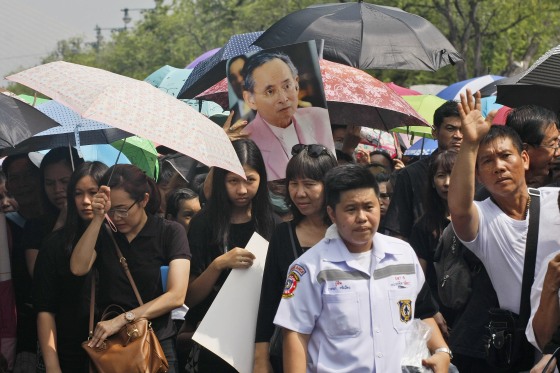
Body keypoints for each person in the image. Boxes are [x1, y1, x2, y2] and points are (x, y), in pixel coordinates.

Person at [274, 164, 451, 372]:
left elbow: (422, 311)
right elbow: (295, 334)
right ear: (332, 214)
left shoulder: (403, 255)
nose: (362, 218)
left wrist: (442, 352)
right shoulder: (309, 268)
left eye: (369, 207)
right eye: (351, 209)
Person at [449, 90, 560, 371]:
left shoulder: (554, 202)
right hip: (520, 350)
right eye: (487, 161)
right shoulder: (482, 220)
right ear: (478, 174)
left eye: (505, 156)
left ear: (524, 159)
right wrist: (470, 144)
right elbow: (460, 209)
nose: (498, 167)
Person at [69, 164, 190, 373]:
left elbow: (176, 295)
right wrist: (98, 218)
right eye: (110, 210)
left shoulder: (170, 232)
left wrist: (123, 320)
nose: (116, 217)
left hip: (156, 342)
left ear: (143, 200)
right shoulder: (104, 232)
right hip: (112, 348)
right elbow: (78, 268)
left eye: (123, 209)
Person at [184, 139, 276, 372]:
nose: (242, 190)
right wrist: (218, 265)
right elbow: (189, 298)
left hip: (260, 339)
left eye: (250, 180)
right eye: (233, 181)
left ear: (261, 180)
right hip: (213, 342)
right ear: (221, 181)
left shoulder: (273, 224)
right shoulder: (203, 224)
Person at [253, 144, 337, 373]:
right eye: (293, 183)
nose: (300, 193)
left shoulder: (346, 234)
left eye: (309, 184)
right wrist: (261, 357)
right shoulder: (283, 234)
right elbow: (269, 297)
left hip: (339, 353)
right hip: (290, 353)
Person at [33, 161, 108, 373]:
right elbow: (45, 310)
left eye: (93, 192)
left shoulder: (117, 240)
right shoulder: (54, 245)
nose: (85, 201)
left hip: (118, 353)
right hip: (71, 354)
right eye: (77, 193)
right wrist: (52, 365)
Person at [241, 51, 336, 181]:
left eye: (287, 86)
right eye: (270, 91)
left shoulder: (320, 118)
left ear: (296, 84)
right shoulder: (245, 141)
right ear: (250, 99)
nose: (283, 98)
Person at [381, 100, 462, 241]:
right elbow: (399, 230)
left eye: (464, 129)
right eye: (450, 129)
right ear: (435, 132)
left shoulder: (480, 171)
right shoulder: (410, 175)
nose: (458, 135)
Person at [409, 150, 459, 338]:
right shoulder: (424, 226)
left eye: (453, 174)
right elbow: (418, 278)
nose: (447, 182)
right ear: (432, 182)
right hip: (439, 312)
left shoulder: (479, 217)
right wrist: (431, 311)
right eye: (441, 176)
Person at [3, 153, 45, 372]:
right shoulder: (6, 227)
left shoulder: (58, 222)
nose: (22, 183)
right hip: (20, 330)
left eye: (28, 175)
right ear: (8, 184)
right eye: (14, 177)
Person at [24, 147, 83, 278]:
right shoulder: (35, 226)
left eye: (65, 182)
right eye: (49, 183)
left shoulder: (95, 220)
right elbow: (37, 273)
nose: (57, 189)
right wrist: (61, 223)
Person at [505, 105, 560, 187]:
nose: (558, 153)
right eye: (552, 145)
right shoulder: (499, 193)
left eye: (558, 144)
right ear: (524, 149)